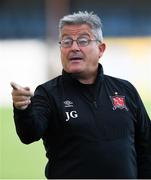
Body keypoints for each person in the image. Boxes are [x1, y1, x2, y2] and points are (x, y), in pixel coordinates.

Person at [11, 11, 151, 179]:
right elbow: (29, 134)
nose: (74, 47)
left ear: (101, 49)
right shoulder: (48, 93)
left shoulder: (125, 90)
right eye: (66, 41)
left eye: (83, 41)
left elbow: (146, 148)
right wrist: (22, 109)